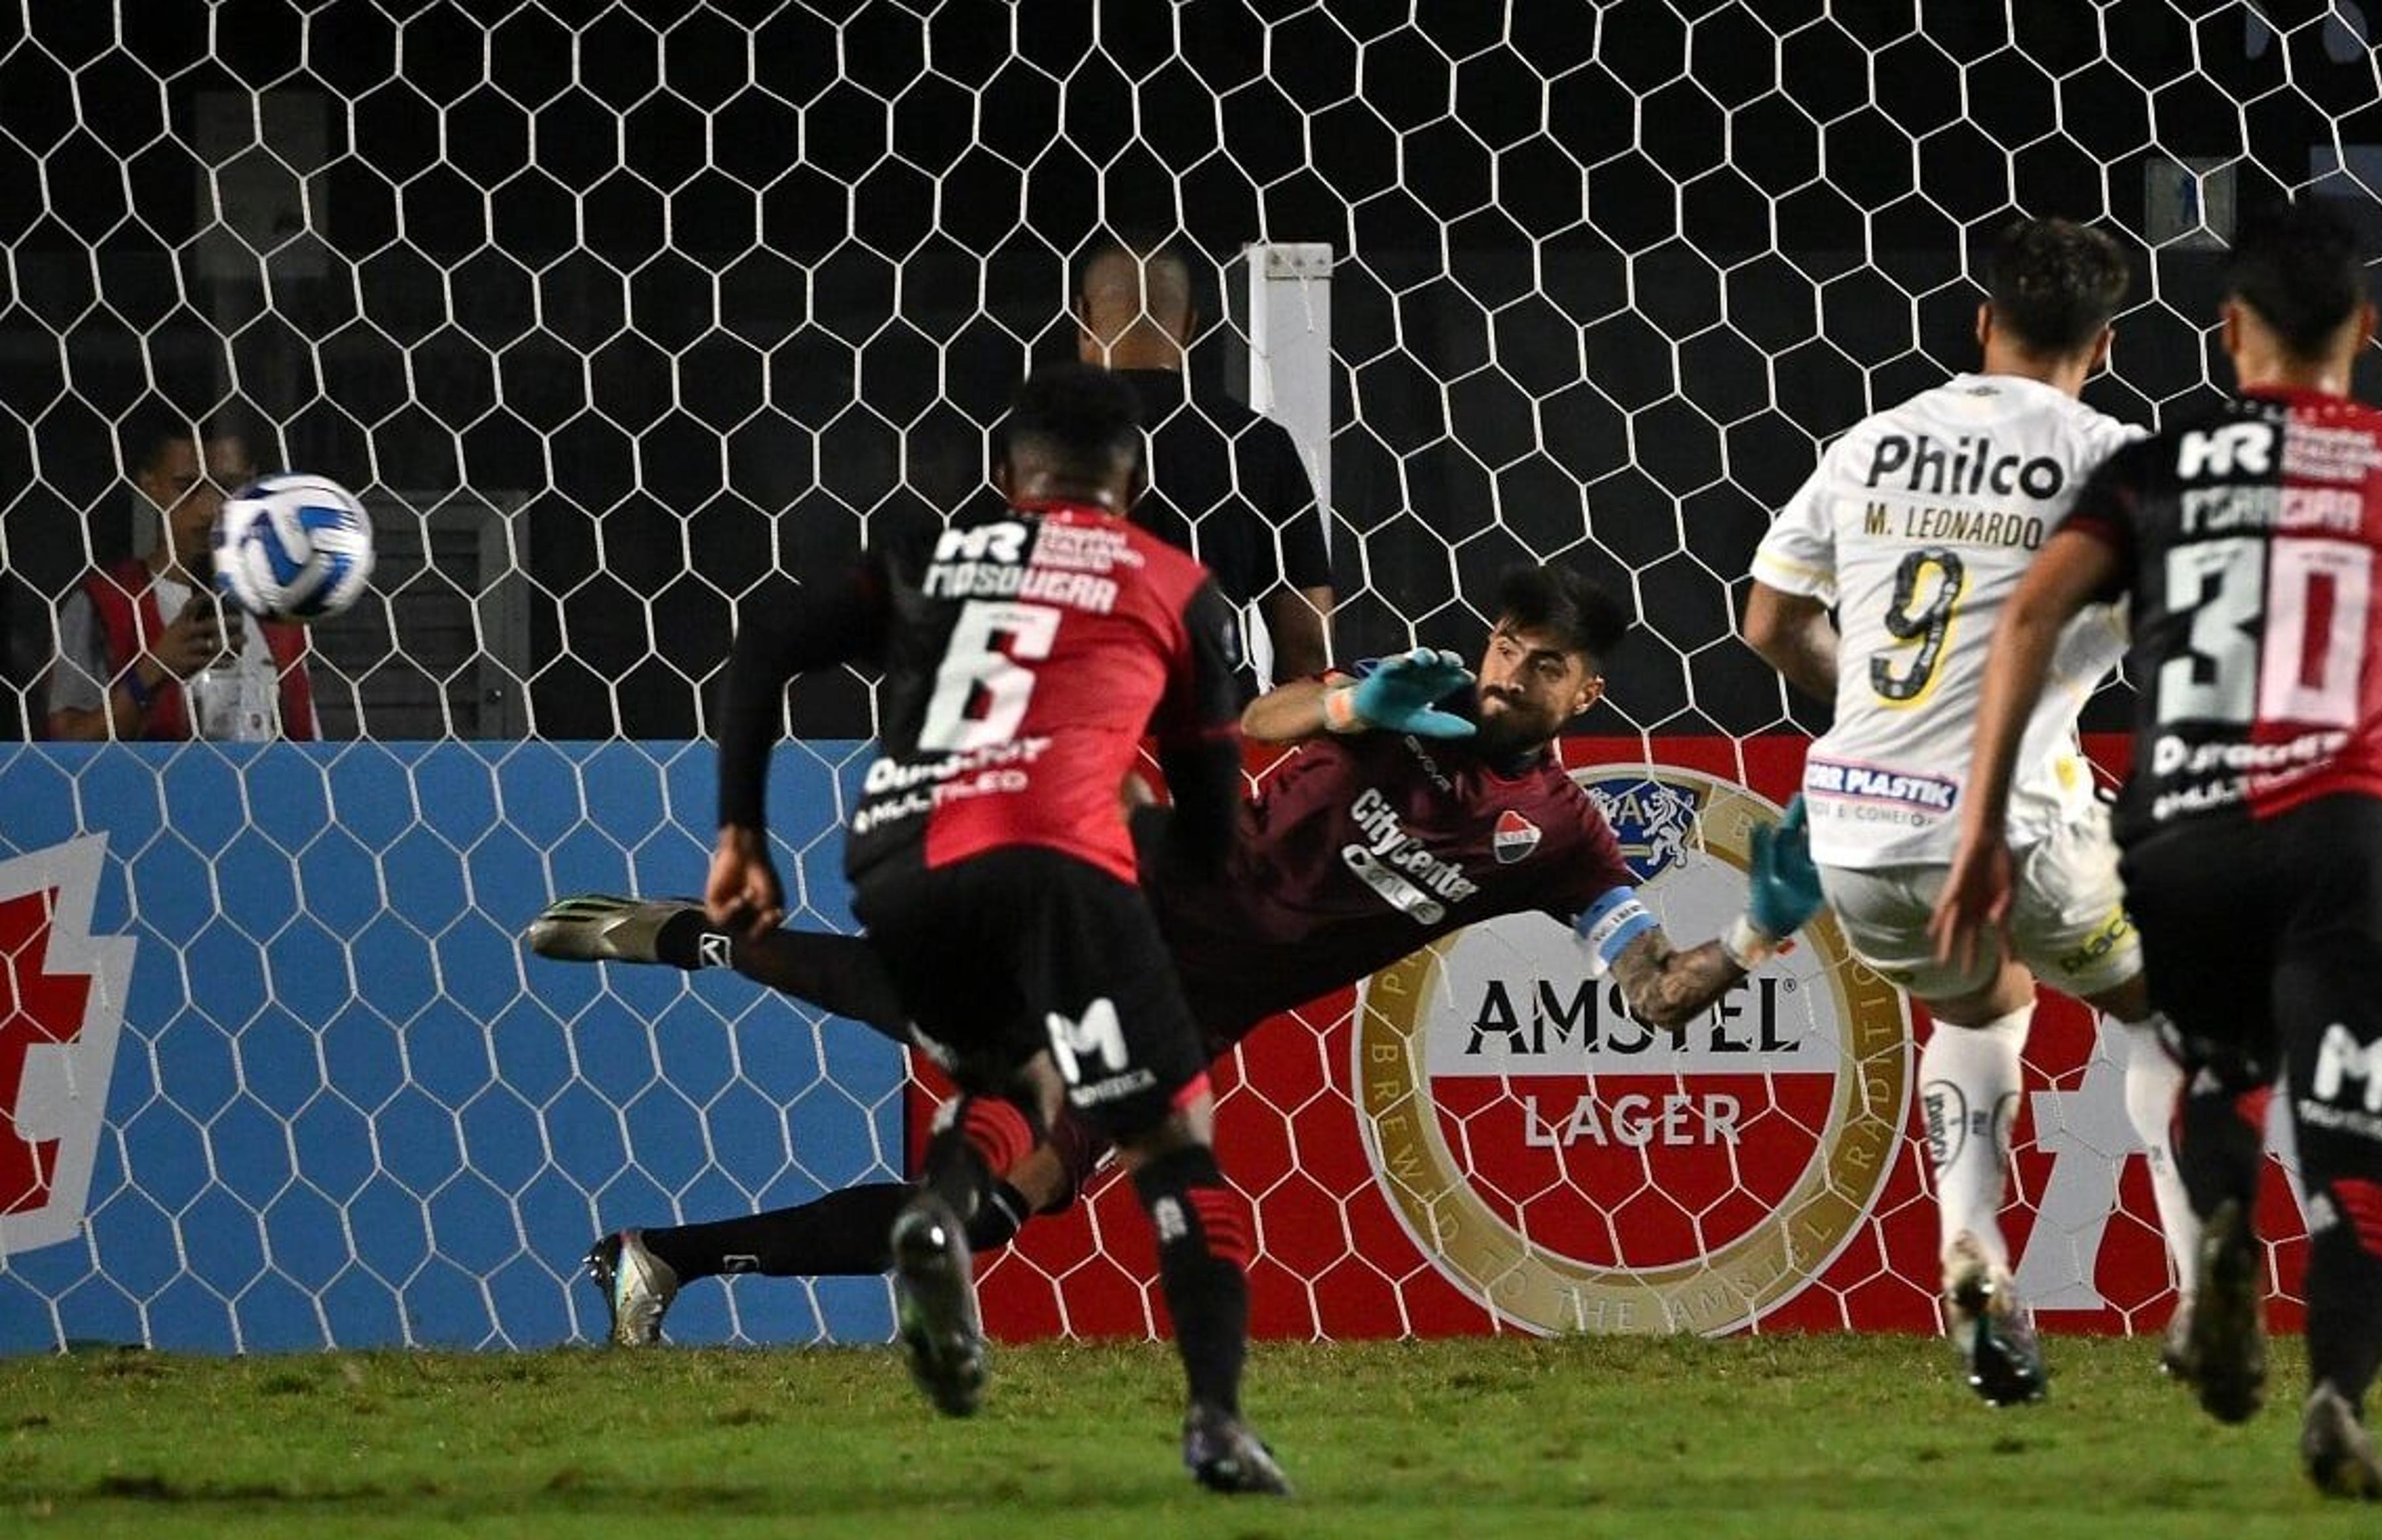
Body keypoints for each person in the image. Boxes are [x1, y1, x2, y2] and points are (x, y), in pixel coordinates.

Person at [534, 564, 1825, 1342]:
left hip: (1181, 1022)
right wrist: (1342, 701)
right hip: (1129, 899)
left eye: (1542, 669)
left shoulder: (1560, 840)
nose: (1506, 678)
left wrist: (1755, 932)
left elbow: (1652, 991)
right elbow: (1256, 720)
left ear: (1583, 696)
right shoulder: (1411, 698)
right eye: (1504, 647)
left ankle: (665, 1257)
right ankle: (726, 940)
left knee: (980, 1215)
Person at [1931, 196, 2382, 1501]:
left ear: (2229, 332)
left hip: (2182, 824)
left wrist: (1981, 818)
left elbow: (2027, 626)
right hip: (2344, 830)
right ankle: (2338, 1396)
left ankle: (2219, 1222)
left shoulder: (2154, 467)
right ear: (2366, 326)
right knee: (2357, 1157)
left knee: (2204, 1072)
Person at [697, 363, 1284, 1494]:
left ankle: (940, 1215)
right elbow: (1213, 826)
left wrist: (742, 837)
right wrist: (1171, 873)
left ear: (1004, 477)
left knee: (1014, 1078)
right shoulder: (1174, 582)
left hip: (899, 863)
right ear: (1138, 479)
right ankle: (1215, 1420)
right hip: (1061, 857)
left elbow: (767, 640)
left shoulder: (928, 555)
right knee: (1172, 1137)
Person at [1743, 217, 2197, 1406]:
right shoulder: (2119, 459)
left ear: (1981, 321)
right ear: (2103, 346)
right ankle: (2204, 1297)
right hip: (2019, 824)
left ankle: (1969, 1247)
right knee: (2159, 1009)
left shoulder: (1870, 445)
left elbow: (1769, 624)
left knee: (1985, 1005)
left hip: (1856, 824)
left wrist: (1882, 716)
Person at [1075, 236, 1335, 693]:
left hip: (1077, 738)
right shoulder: (1258, 444)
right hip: (1212, 739)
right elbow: (1308, 648)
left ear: (1083, 318)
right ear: (1190, 327)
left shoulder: (1033, 447)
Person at [48, 415, 317, 742]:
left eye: (228, 486)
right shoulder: (103, 604)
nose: (209, 508)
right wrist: (152, 671)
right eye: (187, 487)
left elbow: (310, 746)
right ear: (150, 485)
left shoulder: (278, 607)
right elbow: (62, 751)